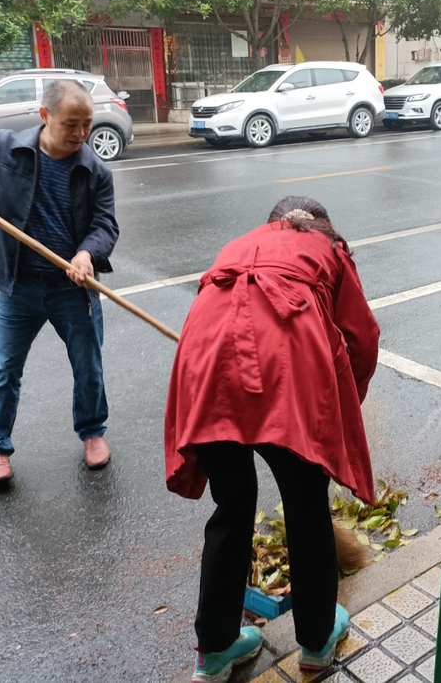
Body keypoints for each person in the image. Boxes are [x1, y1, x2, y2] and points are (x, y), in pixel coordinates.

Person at [164, 196, 380, 683]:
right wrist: (345, 401)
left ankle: (215, 651)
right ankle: (317, 641)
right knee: (306, 504)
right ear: (322, 228)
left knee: (232, 504)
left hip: (208, 365)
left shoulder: (240, 245)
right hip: (288, 370)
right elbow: (363, 339)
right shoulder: (330, 250)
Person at [0, 80, 119, 485]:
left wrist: (86, 254)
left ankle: (92, 432)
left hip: (74, 288)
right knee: (4, 369)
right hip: (18, 286)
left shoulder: (95, 170)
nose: (81, 133)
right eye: (71, 124)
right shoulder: (5, 149)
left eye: (87, 124)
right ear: (45, 116)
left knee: (88, 367)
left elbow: (105, 224)